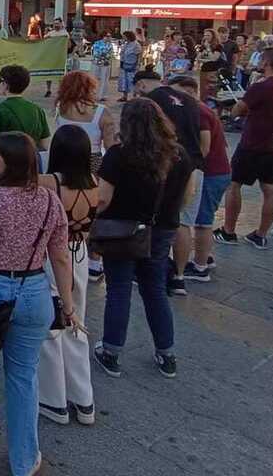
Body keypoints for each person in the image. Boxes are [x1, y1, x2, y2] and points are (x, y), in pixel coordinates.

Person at [0, 132, 78, 476]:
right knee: (23, 376)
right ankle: (23, 460)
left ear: (9, 162)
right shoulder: (50, 201)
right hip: (34, 289)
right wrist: (68, 306)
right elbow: (61, 257)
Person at [92, 98, 191, 379]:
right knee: (155, 289)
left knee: (119, 289)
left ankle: (111, 351)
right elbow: (187, 195)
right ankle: (166, 352)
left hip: (124, 230)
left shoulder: (119, 154)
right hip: (162, 229)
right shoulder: (179, 154)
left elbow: (102, 198)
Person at [38, 124, 100, 426]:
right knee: (78, 322)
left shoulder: (49, 182)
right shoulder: (96, 183)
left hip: (53, 256)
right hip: (80, 254)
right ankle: (84, 399)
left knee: (51, 325)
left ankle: (54, 400)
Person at [215, 47, 273, 249]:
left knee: (234, 185)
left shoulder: (262, 86)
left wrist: (231, 110)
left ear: (266, 63)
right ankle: (261, 234)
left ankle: (229, 230)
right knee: (270, 189)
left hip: (253, 143)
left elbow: (238, 110)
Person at [134, 71, 204, 297]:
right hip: (191, 165)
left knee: (152, 220)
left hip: (162, 165)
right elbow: (205, 141)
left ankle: (148, 271)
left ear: (142, 84)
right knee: (183, 223)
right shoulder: (193, 103)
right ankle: (179, 277)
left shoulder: (151, 100)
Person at [172, 76, 229, 284]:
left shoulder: (197, 112)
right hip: (215, 171)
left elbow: (203, 148)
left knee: (201, 222)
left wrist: (185, 170)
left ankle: (200, 266)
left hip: (210, 173)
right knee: (200, 219)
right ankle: (205, 257)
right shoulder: (198, 110)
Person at [0, 64, 51, 185]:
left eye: (0, 80)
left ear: (5, 84)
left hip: (5, 170)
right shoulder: (37, 109)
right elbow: (44, 145)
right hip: (31, 168)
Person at [54, 70, 117, 172]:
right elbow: (109, 146)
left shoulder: (61, 107)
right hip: (92, 159)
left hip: (65, 157)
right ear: (90, 88)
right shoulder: (102, 112)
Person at [44, 17, 70, 98]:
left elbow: (69, 46)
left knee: (60, 74)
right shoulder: (51, 33)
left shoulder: (65, 34)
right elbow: (43, 41)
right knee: (48, 73)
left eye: (57, 23)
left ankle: (60, 90)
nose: (56, 25)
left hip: (60, 57)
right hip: (51, 56)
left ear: (61, 24)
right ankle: (48, 90)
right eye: (55, 23)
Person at [117, 31, 141, 102]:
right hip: (124, 64)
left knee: (132, 81)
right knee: (124, 81)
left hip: (132, 65)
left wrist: (138, 64)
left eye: (124, 36)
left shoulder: (136, 45)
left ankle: (134, 97)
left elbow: (139, 55)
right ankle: (124, 96)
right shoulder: (125, 44)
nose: (123, 38)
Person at [90, 32, 114, 102]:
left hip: (106, 64)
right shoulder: (97, 43)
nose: (109, 37)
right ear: (103, 36)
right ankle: (93, 94)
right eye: (107, 36)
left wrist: (106, 56)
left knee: (105, 80)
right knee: (94, 79)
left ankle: (102, 95)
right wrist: (104, 55)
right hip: (96, 63)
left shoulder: (110, 45)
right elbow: (95, 53)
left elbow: (110, 54)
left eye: (110, 36)